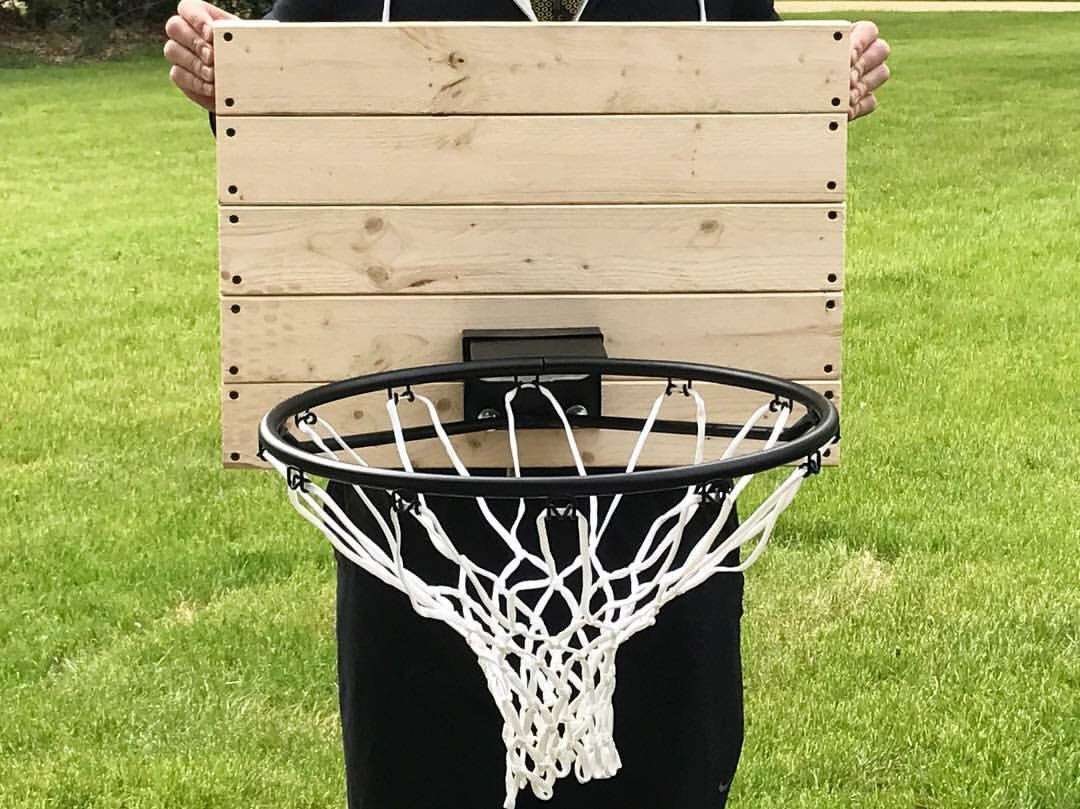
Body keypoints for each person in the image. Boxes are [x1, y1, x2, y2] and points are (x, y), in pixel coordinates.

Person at [167, 3, 888, 806]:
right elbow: (286, 83)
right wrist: (227, 73)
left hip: (660, 523)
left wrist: (830, 83)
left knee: (664, 772)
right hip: (420, 523)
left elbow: (765, 96)